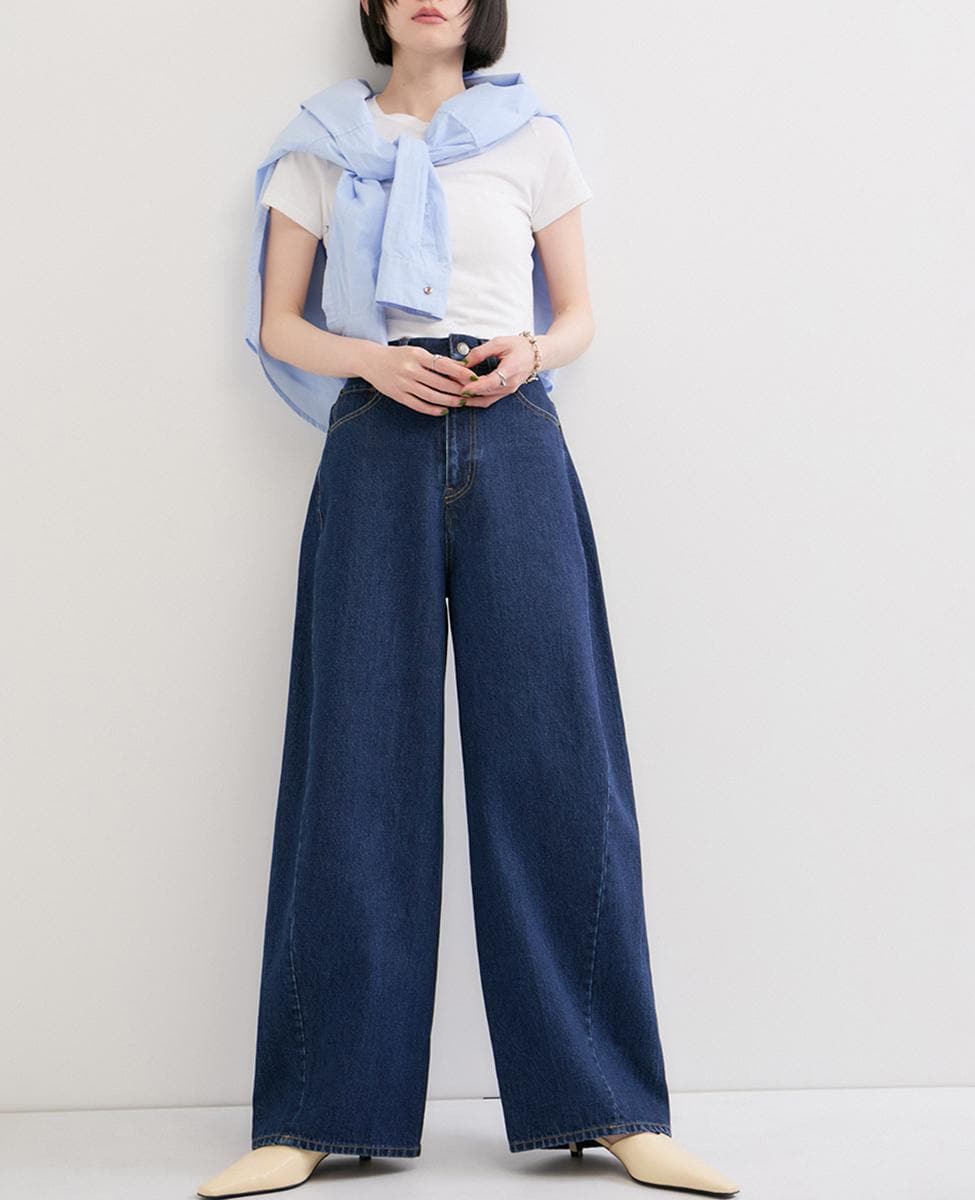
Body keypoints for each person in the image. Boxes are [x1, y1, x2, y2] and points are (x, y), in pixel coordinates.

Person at [198, 2, 741, 1196]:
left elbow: (577, 312)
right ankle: (315, 1112)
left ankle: (610, 1105)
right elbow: (279, 322)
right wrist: (374, 359)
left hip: (516, 437)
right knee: (353, 771)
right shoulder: (318, 146)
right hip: (373, 442)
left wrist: (530, 353)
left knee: (559, 764)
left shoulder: (531, 138)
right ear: (373, 5)